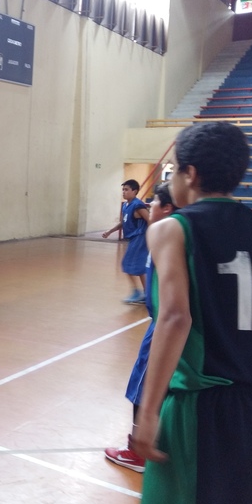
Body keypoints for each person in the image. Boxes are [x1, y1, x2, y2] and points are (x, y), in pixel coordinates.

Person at [131, 121, 252, 504]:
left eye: (174, 171)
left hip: (203, 405)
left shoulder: (173, 229)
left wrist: (148, 412)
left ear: (192, 174)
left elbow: (175, 317)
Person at [104, 182, 176, 473]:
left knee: (143, 386)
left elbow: (175, 310)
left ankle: (138, 452)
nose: (150, 206)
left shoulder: (167, 239)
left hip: (163, 328)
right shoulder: (166, 237)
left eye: (154, 202)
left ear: (167, 208)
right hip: (161, 322)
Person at [102, 179, 150, 304]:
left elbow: (150, 220)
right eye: (123, 190)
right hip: (133, 238)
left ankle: (137, 292)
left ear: (135, 191)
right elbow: (123, 222)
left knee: (127, 264)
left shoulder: (138, 205)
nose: (123, 192)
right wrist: (110, 231)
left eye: (126, 189)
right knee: (140, 267)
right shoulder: (125, 205)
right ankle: (147, 294)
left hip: (140, 237)